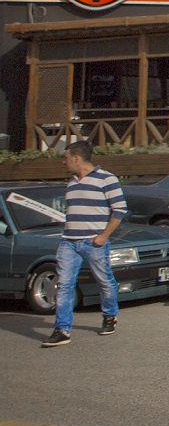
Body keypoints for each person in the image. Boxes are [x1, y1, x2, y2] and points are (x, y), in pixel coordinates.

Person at [43, 142, 127, 347]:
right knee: (64, 284)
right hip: (68, 242)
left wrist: (104, 235)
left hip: (93, 241)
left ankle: (110, 315)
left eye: (65, 157)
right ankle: (62, 329)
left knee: (104, 280)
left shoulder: (107, 179)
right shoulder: (71, 183)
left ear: (76, 158)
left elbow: (119, 210)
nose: (63, 162)